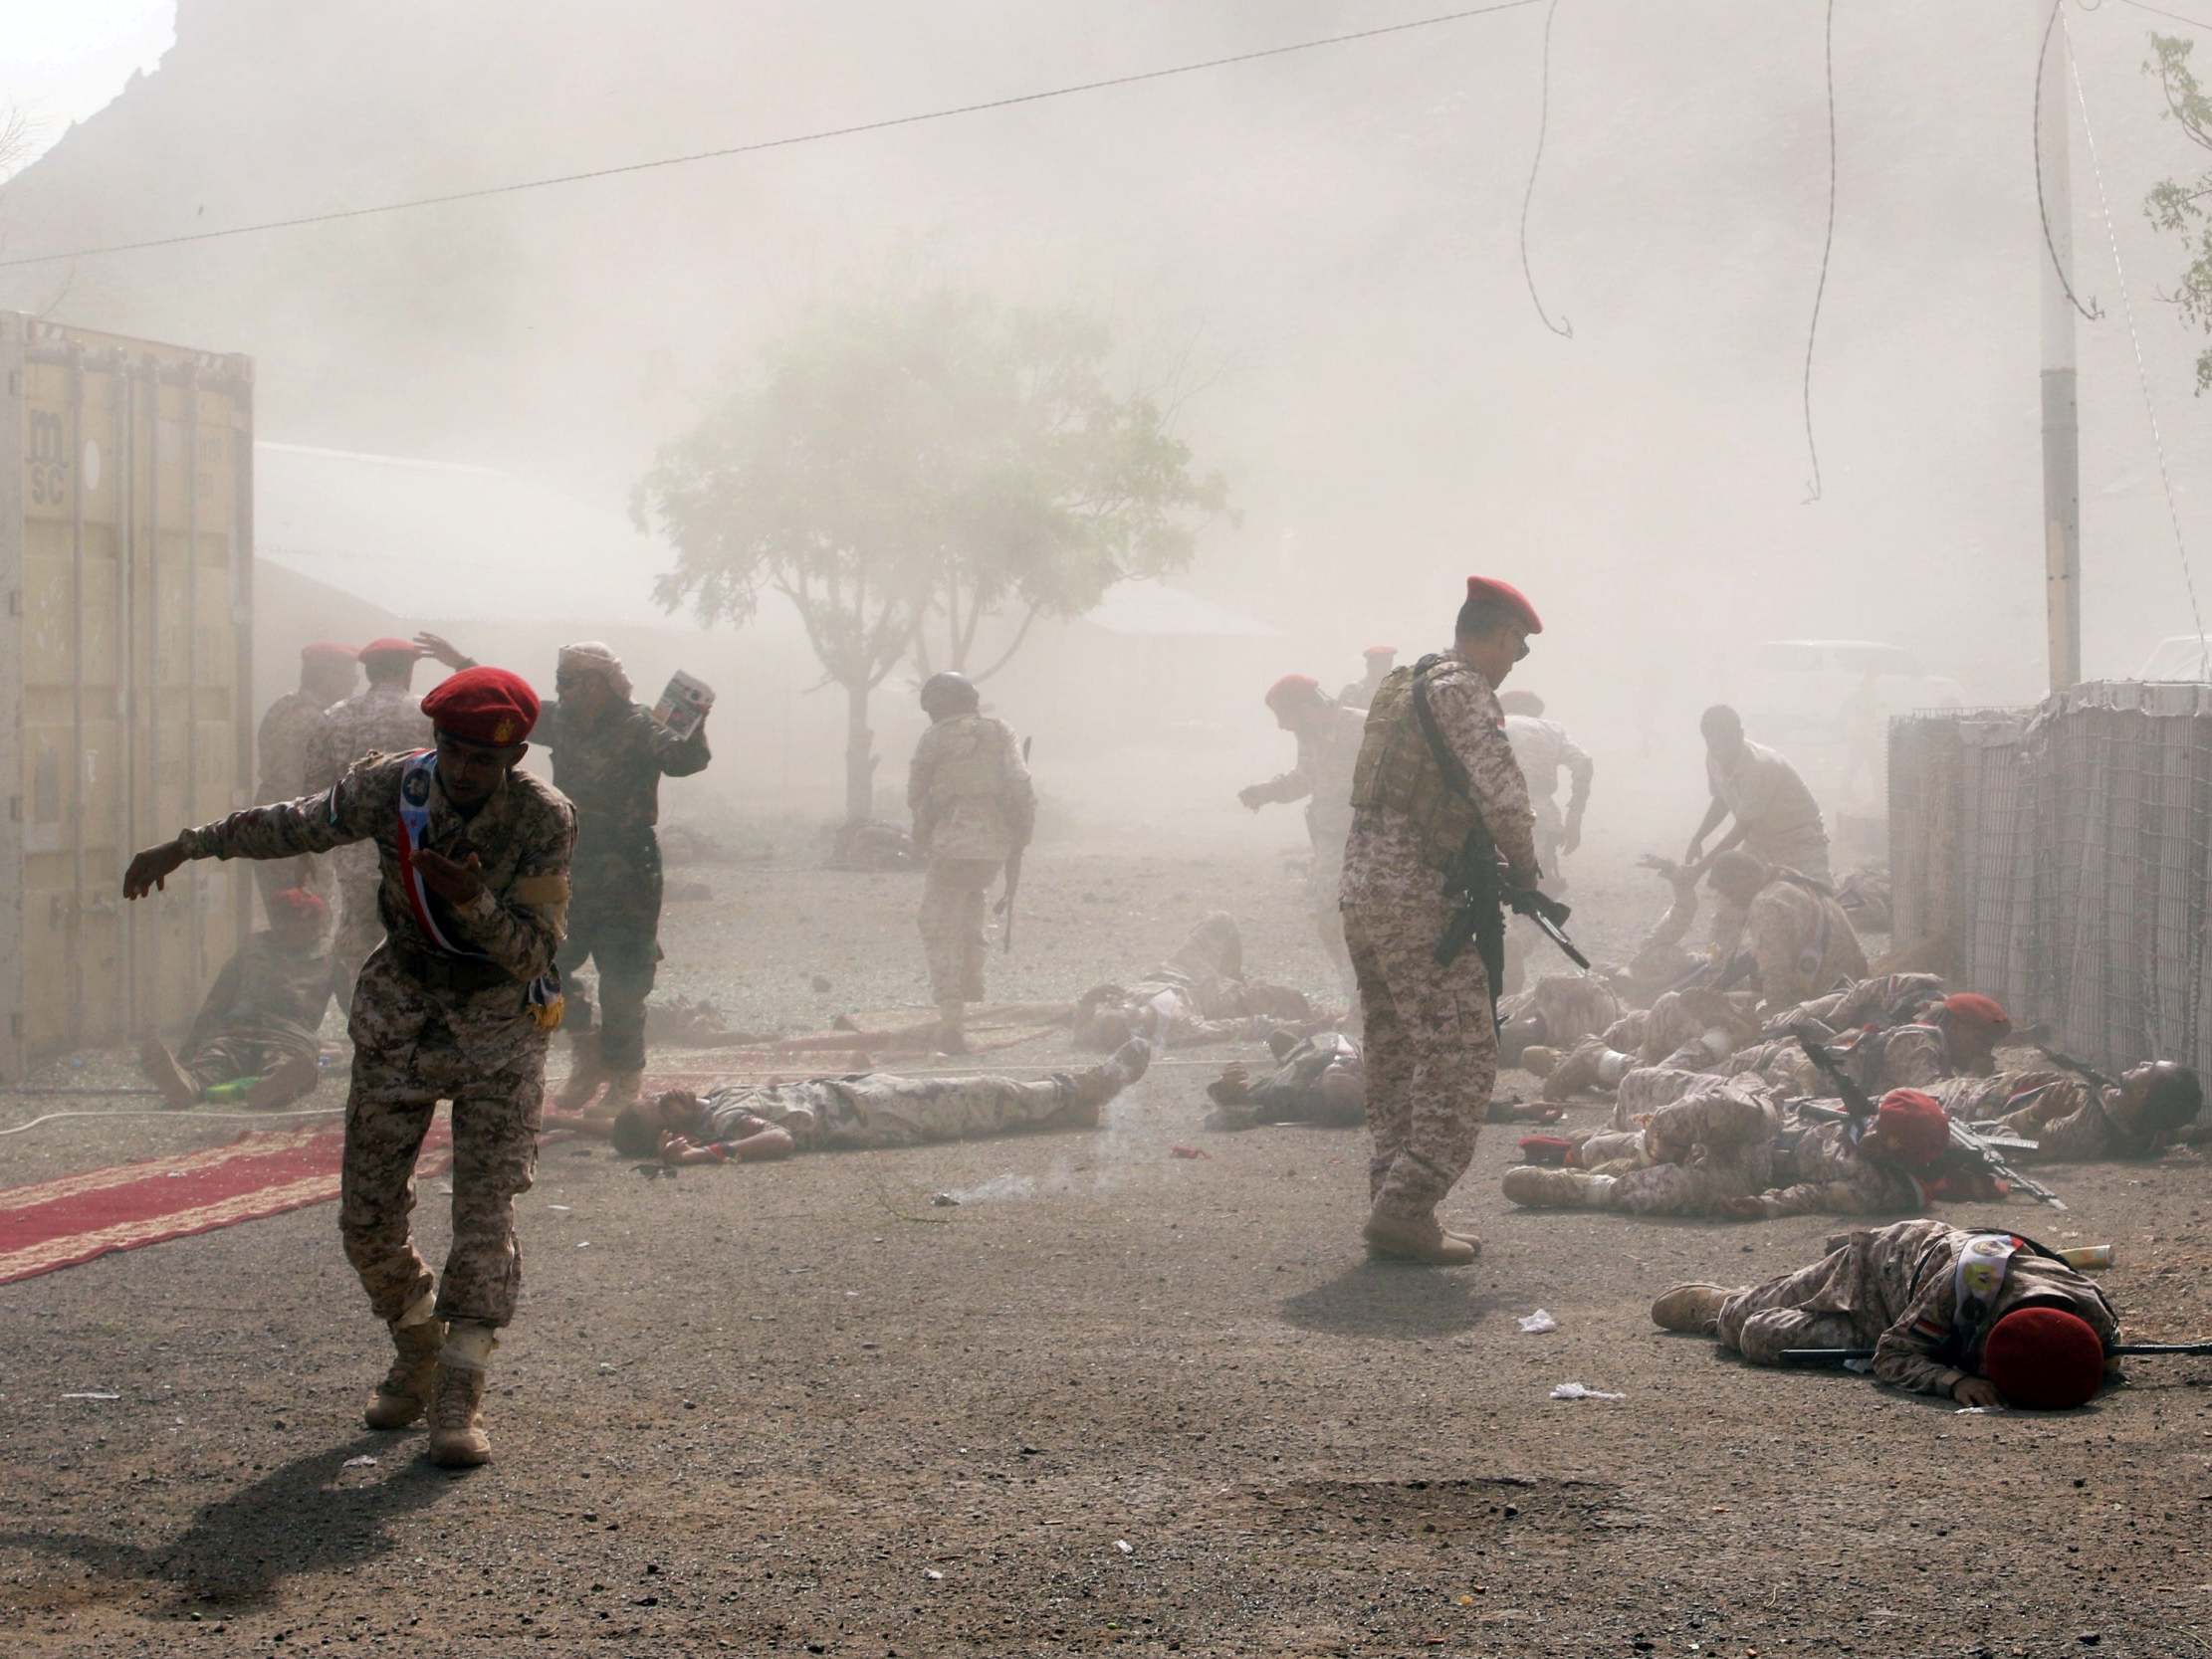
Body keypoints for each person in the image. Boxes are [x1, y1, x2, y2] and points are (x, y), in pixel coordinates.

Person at [124, 666, 573, 1470]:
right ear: (436, 741)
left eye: (483, 758)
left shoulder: (543, 820)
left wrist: (469, 900)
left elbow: (532, 952)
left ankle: (459, 1390)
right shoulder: (396, 786)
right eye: (454, 750)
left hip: (498, 1026)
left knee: (484, 1212)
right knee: (365, 1217)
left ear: (515, 757)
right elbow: (297, 823)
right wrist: (190, 844)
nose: (464, 770)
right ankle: (416, 1339)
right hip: (401, 1009)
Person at [1341, 575, 1542, 1265]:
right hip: (1418, 895)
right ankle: (1406, 1203)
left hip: (1365, 889)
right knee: (1462, 1051)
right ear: (1488, 633)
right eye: (1516, 645)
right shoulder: (1463, 691)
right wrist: (1527, 867)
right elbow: (1504, 798)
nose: (1517, 660)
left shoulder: (1404, 684)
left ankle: (1389, 1200)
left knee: (1397, 1048)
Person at [429, 638, 711, 1120]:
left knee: (623, 974)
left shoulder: (640, 723)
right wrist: (461, 664)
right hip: (568, 853)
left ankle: (625, 1076)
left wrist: (693, 718)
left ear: (600, 683)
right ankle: (588, 1051)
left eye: (571, 681)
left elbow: (685, 761)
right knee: (547, 960)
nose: (562, 689)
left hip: (627, 864)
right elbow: (508, 705)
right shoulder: (560, 719)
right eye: (561, 681)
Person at [1651, 1219, 2118, 1409]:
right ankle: (1721, 1305)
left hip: (1880, 1321)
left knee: (1759, 1335)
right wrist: (1952, 1382)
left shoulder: (2092, 1315)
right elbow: (1893, 1353)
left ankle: (1736, 1315)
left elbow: (2085, 1362)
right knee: (1740, 1319)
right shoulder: (1965, 1288)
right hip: (1880, 1268)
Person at [605, 1037, 1153, 1161]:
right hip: (875, 1113)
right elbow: (781, 1137)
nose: (669, 1092)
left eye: (658, 1094)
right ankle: (1089, 1085)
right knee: (987, 1094)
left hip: (863, 1094)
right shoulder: (722, 1122)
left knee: (987, 1104)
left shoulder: (712, 1102)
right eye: (663, 1105)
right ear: (669, 1131)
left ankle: (1074, 1109)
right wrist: (700, 1157)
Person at [1503, 1085, 1959, 1220]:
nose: (1877, 1146)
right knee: (1712, 1109)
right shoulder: (1852, 1108)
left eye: (1889, 1150)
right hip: (1769, 1123)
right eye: (1881, 1134)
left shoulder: (1881, 1188)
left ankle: (1582, 1188)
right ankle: (1591, 1149)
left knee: (1673, 1190)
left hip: (1757, 1172)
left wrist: (1761, 1206)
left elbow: (1814, 1196)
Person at [304, 638, 446, 1011]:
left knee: (358, 944)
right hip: (415, 854)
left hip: (353, 855)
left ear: (368, 670)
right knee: (416, 940)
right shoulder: (427, 716)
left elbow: (315, 792)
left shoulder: (335, 717)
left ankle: (365, 1027)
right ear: (407, 669)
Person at [908, 672, 1034, 1053]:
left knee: (937, 922)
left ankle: (952, 1016)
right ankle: (974, 988)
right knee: (972, 905)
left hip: (951, 845)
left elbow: (916, 794)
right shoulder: (1000, 731)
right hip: (993, 848)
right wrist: (1020, 835)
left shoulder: (934, 738)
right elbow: (1020, 784)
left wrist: (924, 831)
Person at [137, 886, 333, 1111]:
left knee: (286, 1064)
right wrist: (188, 1054)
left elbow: (355, 1006)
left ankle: (272, 1090)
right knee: (214, 1060)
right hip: (235, 1031)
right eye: (290, 920)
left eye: (308, 922)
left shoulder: (331, 956)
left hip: (289, 1036)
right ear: (277, 921)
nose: (299, 928)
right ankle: (187, 1085)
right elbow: (217, 1000)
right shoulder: (252, 948)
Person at [1237, 675, 1368, 995]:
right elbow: (1306, 777)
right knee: (1327, 915)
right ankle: (1354, 990)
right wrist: (1267, 792)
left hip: (1375, 843)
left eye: (1286, 716)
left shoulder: (1363, 729)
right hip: (1332, 840)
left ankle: (1371, 996)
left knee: (1369, 919)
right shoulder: (1310, 735)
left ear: (1308, 707)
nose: (1283, 726)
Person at [1071, 913, 1315, 1050]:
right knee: (1292, 999)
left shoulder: (1122, 1007)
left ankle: (1234, 976)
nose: (1115, 1002)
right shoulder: (1179, 1030)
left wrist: (1087, 1001)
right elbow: (1240, 1027)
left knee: (1222, 922)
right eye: (1120, 1010)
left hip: (1176, 970)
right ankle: (1239, 984)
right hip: (1217, 997)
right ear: (1134, 1026)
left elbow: (1081, 1034)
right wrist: (1301, 1027)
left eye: (1111, 1007)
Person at [252, 642, 357, 926]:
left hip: (275, 834)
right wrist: (303, 848)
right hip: (296, 842)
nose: (354, 681)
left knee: (291, 929)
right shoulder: (312, 721)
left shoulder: (283, 709)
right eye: (348, 674)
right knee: (309, 931)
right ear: (325, 676)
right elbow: (292, 789)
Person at [1938, 1060, 2204, 1163]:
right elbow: (2177, 1132)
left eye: (2150, 1068)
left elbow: (2007, 1143)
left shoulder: (2082, 1128)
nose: (2142, 1062)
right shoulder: (2144, 1128)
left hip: (1958, 1104)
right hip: (1975, 1089)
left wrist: (2037, 1114)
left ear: (2142, 1093)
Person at [1685, 705, 1832, 885]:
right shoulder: (1712, 757)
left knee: (1815, 900)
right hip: (1760, 841)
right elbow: (1721, 799)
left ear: (1740, 734)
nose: (1721, 752)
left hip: (1800, 840)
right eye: (1714, 745)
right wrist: (1698, 837)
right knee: (1740, 899)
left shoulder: (1760, 766)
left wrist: (1699, 870)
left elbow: (1741, 828)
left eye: (1726, 742)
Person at [1703, 849, 1867, 1009]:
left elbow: (1776, 974)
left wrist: (1774, 1023)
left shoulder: (1766, 904)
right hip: (1854, 988)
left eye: (1731, 893)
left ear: (1744, 878)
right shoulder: (1792, 883)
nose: (1732, 901)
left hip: (1827, 1001)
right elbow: (1769, 947)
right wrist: (1721, 982)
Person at [1497, 691, 1591, 890]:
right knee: (1540, 881)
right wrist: (1575, 815)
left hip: (1497, 809)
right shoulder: (1552, 730)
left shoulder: (1497, 723)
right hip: (1542, 812)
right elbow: (1583, 762)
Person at [1205, 1031, 1366, 1132]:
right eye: (1356, 1072)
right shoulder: (1381, 1082)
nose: (1351, 1065)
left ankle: (1290, 1052)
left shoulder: (1287, 1089)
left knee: (1277, 1036)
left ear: (1317, 1084)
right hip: (1319, 1042)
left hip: (1305, 1050)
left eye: (1343, 1072)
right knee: (1280, 1038)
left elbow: (1224, 1116)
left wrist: (1229, 1091)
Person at [1338, 645, 1397, 710]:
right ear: (1369, 665)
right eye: (1380, 664)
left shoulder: (1397, 690)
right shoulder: (1353, 689)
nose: (1385, 668)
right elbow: (1344, 713)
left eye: (1388, 663)